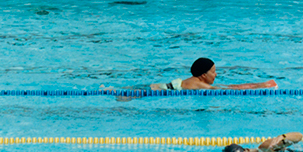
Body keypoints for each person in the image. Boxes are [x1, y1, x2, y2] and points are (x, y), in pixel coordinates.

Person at [116, 56, 279, 100]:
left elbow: (228, 86)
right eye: (213, 72)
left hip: (155, 87)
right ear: (203, 75)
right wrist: (262, 86)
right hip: (151, 92)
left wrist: (260, 84)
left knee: (118, 92)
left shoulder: (193, 80)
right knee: (123, 98)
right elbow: (231, 89)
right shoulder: (201, 86)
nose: (216, 75)